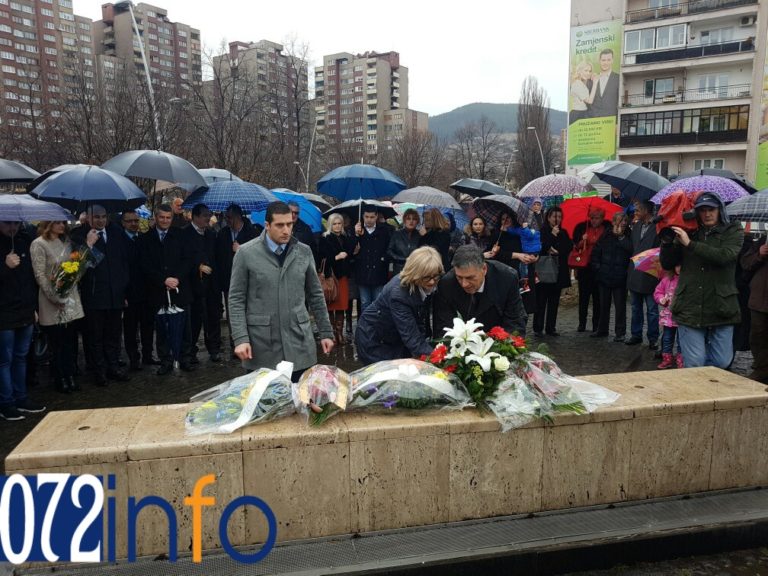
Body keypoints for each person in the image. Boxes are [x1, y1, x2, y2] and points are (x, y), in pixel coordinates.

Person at [229, 201, 334, 381]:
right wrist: (240, 338)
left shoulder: (304, 252)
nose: (286, 230)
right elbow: (236, 299)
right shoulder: (246, 253)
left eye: (289, 224)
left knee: (302, 401)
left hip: (298, 341)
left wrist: (326, 332)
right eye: (280, 225)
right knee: (264, 403)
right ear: (267, 225)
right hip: (262, 345)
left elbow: (315, 294)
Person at [659, 192, 742, 368]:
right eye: (702, 210)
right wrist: (667, 241)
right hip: (690, 304)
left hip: (722, 305)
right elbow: (668, 263)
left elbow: (725, 256)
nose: (707, 214)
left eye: (711, 209)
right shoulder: (690, 230)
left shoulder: (733, 230)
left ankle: (708, 380)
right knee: (695, 362)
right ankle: (700, 386)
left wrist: (690, 244)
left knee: (721, 361)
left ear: (720, 210)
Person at [70, 205, 130, 387]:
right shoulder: (78, 235)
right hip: (95, 294)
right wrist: (88, 244)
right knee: (95, 336)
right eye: (96, 217)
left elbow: (123, 262)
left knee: (113, 334)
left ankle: (113, 366)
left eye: (104, 217)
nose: (101, 220)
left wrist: (123, 289)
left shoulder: (116, 232)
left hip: (115, 294)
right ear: (88, 218)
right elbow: (75, 265)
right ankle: (99, 370)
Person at [355, 246, 442, 364]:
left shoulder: (424, 285)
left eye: (436, 276)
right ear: (415, 273)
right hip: (374, 341)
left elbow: (418, 322)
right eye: (427, 277)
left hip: (394, 337)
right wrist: (440, 359)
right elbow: (412, 338)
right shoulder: (399, 294)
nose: (432, 281)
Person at [138, 204, 196, 375]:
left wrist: (176, 278)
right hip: (158, 290)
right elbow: (144, 265)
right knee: (162, 328)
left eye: (168, 217)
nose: (165, 221)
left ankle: (185, 357)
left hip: (180, 288)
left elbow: (188, 260)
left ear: (172, 218)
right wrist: (163, 280)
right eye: (161, 217)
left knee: (185, 326)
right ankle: (166, 360)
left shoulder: (181, 236)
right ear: (155, 218)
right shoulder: (145, 239)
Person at [30, 221, 85, 393]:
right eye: (58, 222)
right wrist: (54, 297)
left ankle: (70, 374)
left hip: (70, 297)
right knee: (57, 342)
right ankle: (60, 377)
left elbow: (74, 267)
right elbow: (40, 275)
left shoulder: (67, 242)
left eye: (63, 222)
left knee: (69, 340)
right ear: (49, 224)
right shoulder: (39, 244)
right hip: (51, 300)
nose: (62, 225)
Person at [0, 220, 46, 420]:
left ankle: (21, 397)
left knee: (21, 356)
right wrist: (4, 266)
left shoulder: (25, 241)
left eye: (16, 223)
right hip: (4, 312)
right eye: (7, 223)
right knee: (4, 360)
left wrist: (34, 307)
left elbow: (30, 278)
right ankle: (6, 402)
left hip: (25, 310)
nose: (12, 227)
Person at [434, 245, 528, 337]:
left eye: (470, 278)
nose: (464, 284)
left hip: (499, 337)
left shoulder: (507, 278)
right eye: (459, 277)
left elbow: (515, 320)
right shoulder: (446, 284)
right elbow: (443, 325)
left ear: (484, 269)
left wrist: (502, 345)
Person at [215, 203, 259, 356]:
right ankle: (237, 342)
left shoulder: (252, 233)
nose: (227, 220)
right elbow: (219, 257)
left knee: (249, 311)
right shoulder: (223, 234)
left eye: (230, 217)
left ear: (238, 217)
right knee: (233, 311)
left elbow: (258, 255)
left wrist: (241, 250)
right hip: (229, 279)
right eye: (226, 217)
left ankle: (251, 341)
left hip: (249, 280)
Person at [182, 204, 222, 364]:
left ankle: (214, 349)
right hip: (193, 285)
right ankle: (190, 351)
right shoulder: (184, 234)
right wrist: (197, 267)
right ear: (195, 217)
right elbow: (182, 258)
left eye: (209, 215)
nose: (208, 218)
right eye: (205, 215)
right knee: (194, 320)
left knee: (213, 318)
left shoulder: (211, 234)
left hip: (211, 284)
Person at [121, 210, 157, 371]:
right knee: (130, 328)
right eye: (130, 221)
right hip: (129, 292)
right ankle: (134, 358)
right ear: (123, 223)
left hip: (146, 291)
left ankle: (148, 354)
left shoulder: (144, 239)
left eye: (136, 220)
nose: (134, 224)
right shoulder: (120, 241)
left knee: (148, 326)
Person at [590, 212, 632, 340]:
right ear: (613, 222)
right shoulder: (606, 234)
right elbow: (596, 251)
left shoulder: (628, 235)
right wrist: (598, 268)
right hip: (604, 275)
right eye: (620, 221)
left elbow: (631, 249)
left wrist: (621, 237)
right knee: (603, 305)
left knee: (620, 307)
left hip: (620, 277)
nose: (623, 223)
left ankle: (620, 333)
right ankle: (602, 329)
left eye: (625, 220)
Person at [625, 200, 661, 349]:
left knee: (652, 310)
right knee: (635, 307)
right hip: (635, 272)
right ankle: (636, 334)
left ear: (646, 210)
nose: (635, 212)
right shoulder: (636, 226)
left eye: (638, 209)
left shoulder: (658, 227)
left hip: (650, 273)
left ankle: (653, 338)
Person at [533, 206, 573, 337]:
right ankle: (538, 327)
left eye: (560, 217)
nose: (557, 219)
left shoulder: (564, 232)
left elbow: (568, 247)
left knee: (554, 300)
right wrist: (552, 235)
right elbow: (541, 247)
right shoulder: (543, 231)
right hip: (544, 269)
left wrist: (558, 251)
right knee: (541, 300)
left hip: (558, 269)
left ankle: (551, 327)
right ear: (548, 217)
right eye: (554, 216)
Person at [319, 213, 355, 344]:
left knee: (341, 305)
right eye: (334, 223)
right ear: (330, 225)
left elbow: (351, 251)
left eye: (339, 223)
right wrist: (336, 257)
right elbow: (321, 259)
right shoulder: (325, 238)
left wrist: (355, 234)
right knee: (330, 304)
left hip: (343, 276)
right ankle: (332, 334)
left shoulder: (345, 237)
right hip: (331, 277)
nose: (337, 226)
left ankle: (340, 333)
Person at [572, 209, 608, 333]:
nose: (594, 220)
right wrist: (583, 240)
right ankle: (582, 323)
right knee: (584, 297)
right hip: (585, 268)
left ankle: (595, 324)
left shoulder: (606, 230)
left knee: (597, 298)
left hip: (598, 268)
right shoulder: (584, 228)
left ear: (602, 218)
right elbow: (577, 248)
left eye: (597, 218)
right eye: (592, 218)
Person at [353, 208, 391, 315]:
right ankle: (366, 327)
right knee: (365, 302)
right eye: (366, 217)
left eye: (372, 217)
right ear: (363, 216)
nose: (369, 220)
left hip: (378, 271)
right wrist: (356, 235)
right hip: (362, 272)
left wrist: (383, 259)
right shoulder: (357, 230)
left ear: (376, 216)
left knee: (378, 302)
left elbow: (389, 248)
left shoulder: (384, 231)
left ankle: (377, 327)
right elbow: (350, 249)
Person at [740, 236, 767, 383]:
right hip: (760, 299)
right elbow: (745, 263)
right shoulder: (762, 242)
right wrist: (759, 255)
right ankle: (761, 369)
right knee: (758, 336)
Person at [654, 265, 684, 369]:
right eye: (676, 266)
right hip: (669, 316)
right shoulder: (666, 280)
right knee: (667, 338)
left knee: (682, 340)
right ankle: (667, 359)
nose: (679, 268)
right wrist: (661, 299)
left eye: (681, 266)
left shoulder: (687, 280)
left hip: (682, 316)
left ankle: (681, 359)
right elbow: (658, 292)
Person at [387, 208, 421, 275]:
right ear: (404, 220)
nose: (411, 221)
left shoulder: (419, 235)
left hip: (415, 271)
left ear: (417, 221)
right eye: (408, 219)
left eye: (414, 219)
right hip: (399, 271)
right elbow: (389, 251)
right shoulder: (397, 234)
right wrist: (401, 259)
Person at [418, 207, 452, 272]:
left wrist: (424, 236)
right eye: (424, 219)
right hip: (428, 265)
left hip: (440, 266)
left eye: (427, 220)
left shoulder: (444, 233)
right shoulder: (430, 232)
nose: (424, 222)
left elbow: (434, 249)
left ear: (434, 220)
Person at [588, 48, 619, 119]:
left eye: (608, 60)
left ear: (612, 61)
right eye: (603, 60)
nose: (606, 63)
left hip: (611, 122)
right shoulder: (592, 79)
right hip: (594, 123)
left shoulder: (618, 79)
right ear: (599, 61)